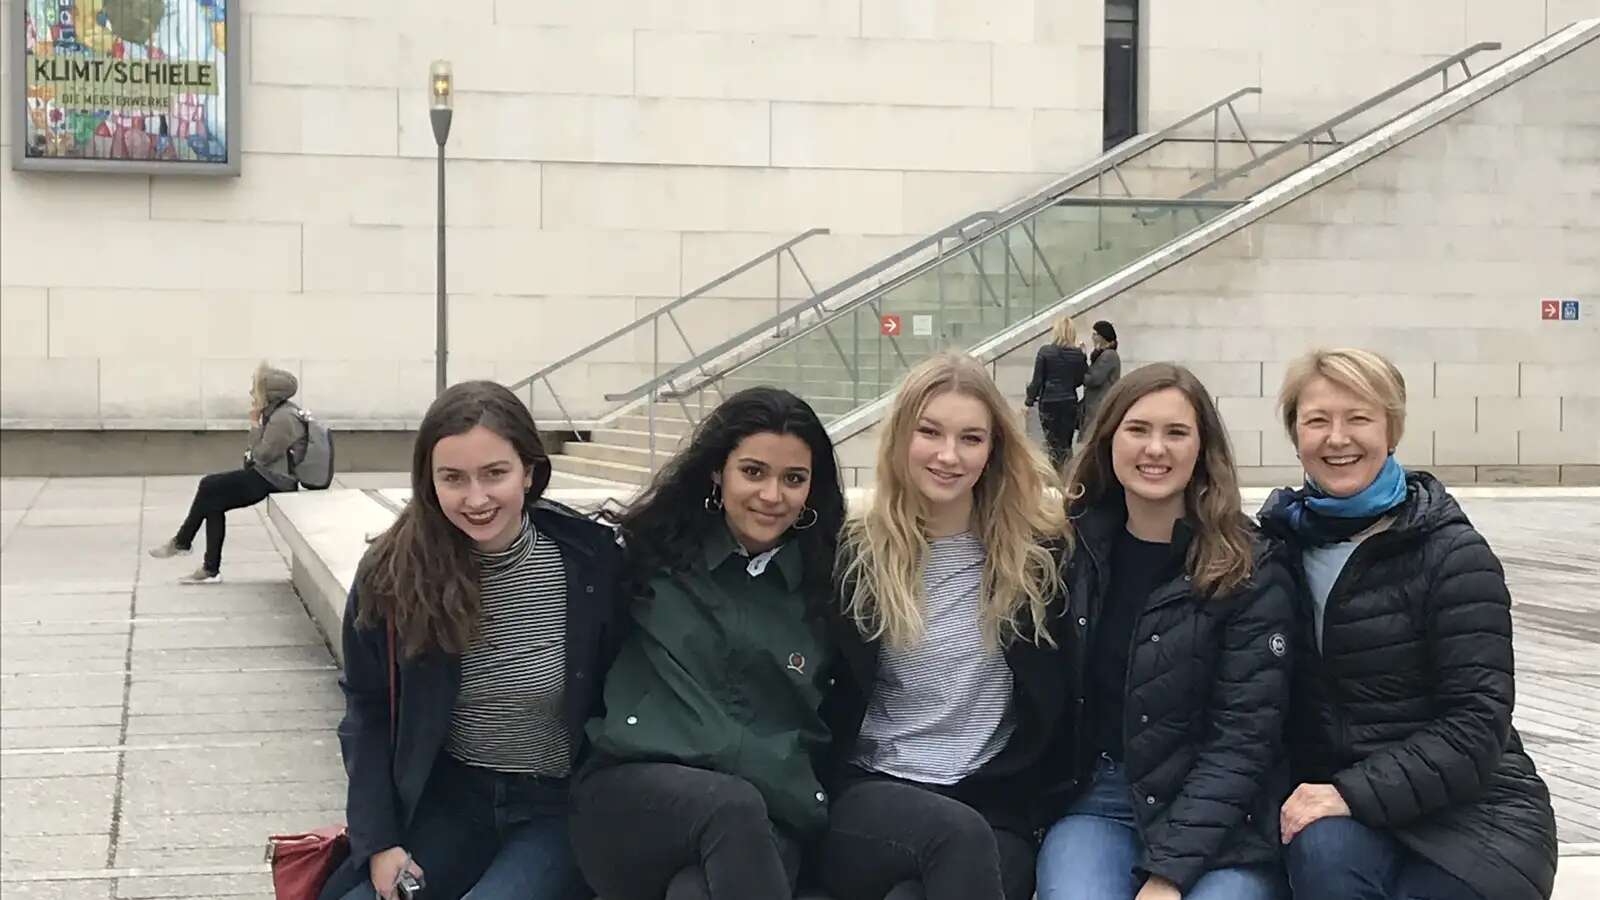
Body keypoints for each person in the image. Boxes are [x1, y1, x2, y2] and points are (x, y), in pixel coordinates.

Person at [1257, 348, 1557, 900]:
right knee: (1319, 853)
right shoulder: (1276, 548)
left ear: (1391, 430)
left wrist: (1350, 793)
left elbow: (1476, 725)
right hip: (1340, 808)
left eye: (1359, 418)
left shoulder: (1451, 553)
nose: (1337, 438)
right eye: (1318, 420)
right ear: (1295, 434)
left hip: (1473, 812)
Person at [318, 381, 623, 900]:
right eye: (453, 478)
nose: (476, 498)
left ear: (529, 472)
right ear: (428, 481)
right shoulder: (394, 573)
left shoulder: (590, 562)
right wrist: (381, 843)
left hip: (559, 811)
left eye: (495, 474)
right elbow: (366, 710)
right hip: (450, 802)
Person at [569, 387, 847, 900]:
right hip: (632, 798)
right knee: (731, 806)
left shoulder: (827, 590)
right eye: (754, 472)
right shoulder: (647, 560)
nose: (772, 495)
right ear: (718, 473)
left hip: (764, 818)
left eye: (794, 479)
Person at [1035, 363, 1295, 900]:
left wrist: (1169, 874)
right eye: (1138, 429)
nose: (1156, 448)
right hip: (1102, 802)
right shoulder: (1070, 553)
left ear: (1203, 450)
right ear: (1109, 440)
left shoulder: (1250, 567)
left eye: (1176, 433)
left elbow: (1245, 739)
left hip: (1222, 818)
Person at [820, 352, 1072, 900]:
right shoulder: (854, 553)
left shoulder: (1038, 556)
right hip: (875, 790)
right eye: (929, 432)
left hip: (992, 797)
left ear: (993, 450)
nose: (948, 455)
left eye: (971, 439)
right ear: (900, 438)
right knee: (953, 841)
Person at [149, 362, 306, 584]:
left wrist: (253, 424)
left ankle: (184, 543)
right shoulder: (278, 413)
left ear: (270, 394)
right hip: (267, 476)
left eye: (256, 388)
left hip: (274, 480)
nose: (251, 393)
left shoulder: (283, 418)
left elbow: (262, 455)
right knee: (213, 502)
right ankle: (208, 568)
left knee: (209, 485)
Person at [1025, 316, 1088, 469]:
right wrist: (1084, 356)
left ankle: (1054, 474)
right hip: (1069, 401)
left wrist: (1029, 400)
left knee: (1051, 442)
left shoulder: (1045, 352)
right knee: (1065, 443)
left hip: (1048, 401)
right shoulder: (1078, 355)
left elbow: (1037, 380)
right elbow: (1081, 380)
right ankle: (1067, 475)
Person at [1079, 320, 1122, 437]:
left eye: (1095, 334)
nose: (1092, 337)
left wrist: (1082, 359)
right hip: (1095, 405)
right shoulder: (1103, 354)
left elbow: (1093, 379)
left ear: (1102, 336)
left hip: (1099, 406)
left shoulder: (1109, 355)